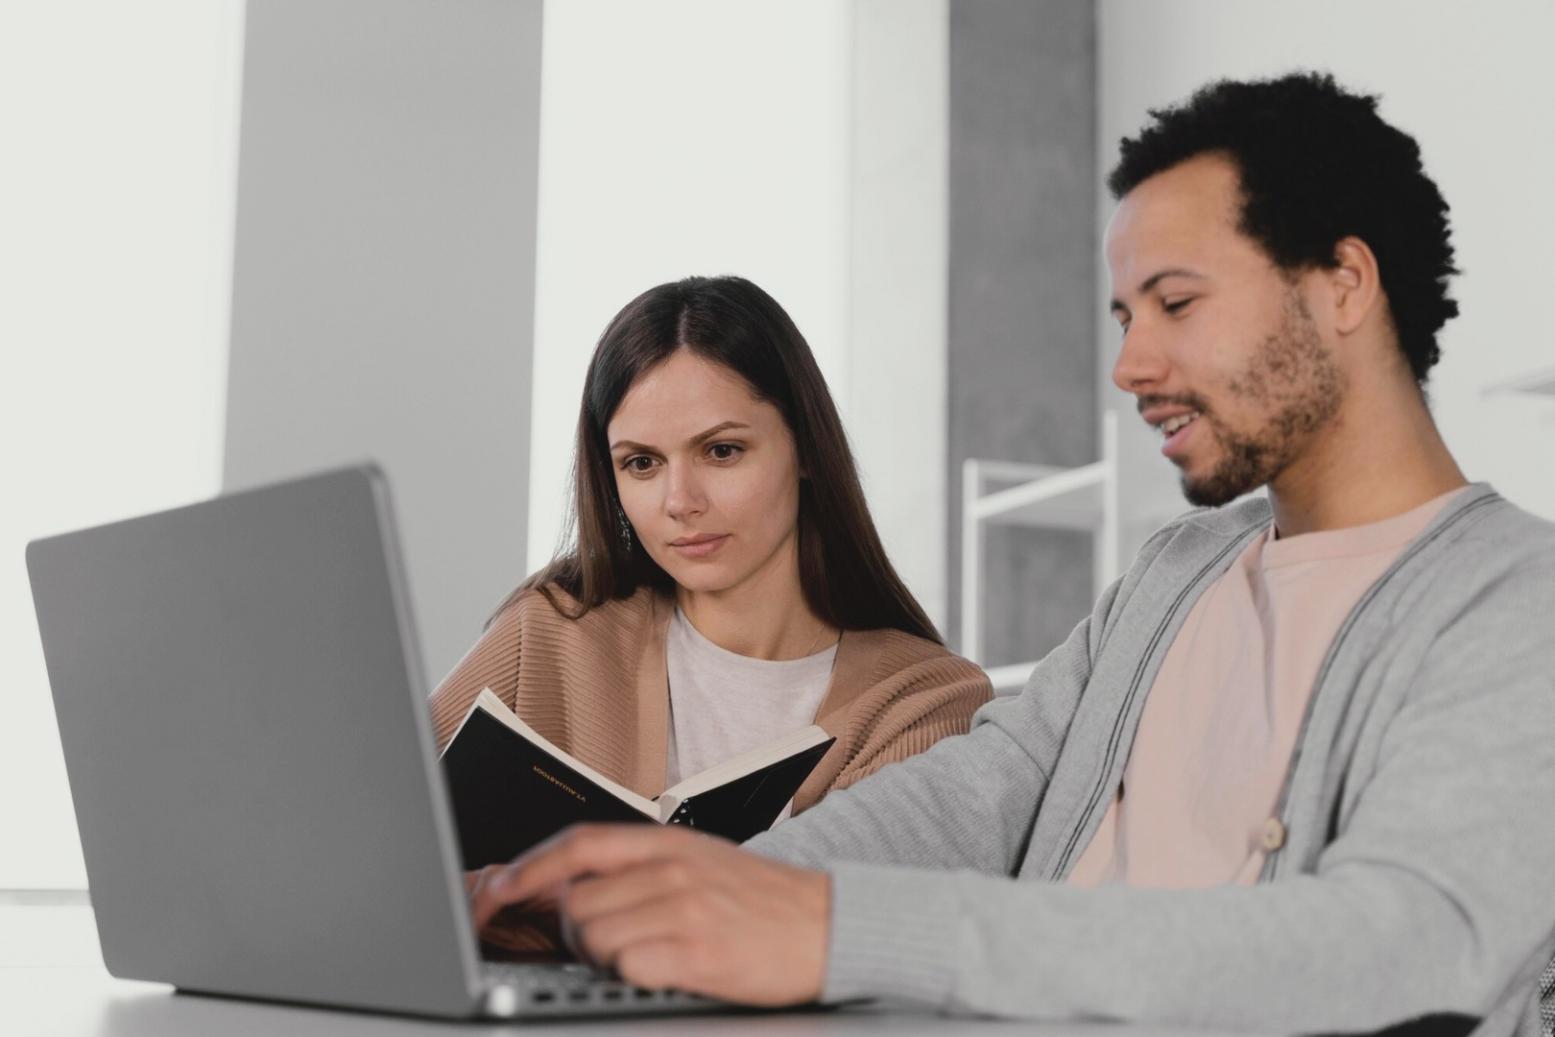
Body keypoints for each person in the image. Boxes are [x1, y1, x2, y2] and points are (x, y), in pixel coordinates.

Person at [464, 73, 1555, 1033]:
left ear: (1343, 285)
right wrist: (684, 902)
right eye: (1124, 317)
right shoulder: (1175, 575)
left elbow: (1404, 938)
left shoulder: (1514, 597)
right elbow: (974, 793)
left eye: (1175, 302)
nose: (1129, 365)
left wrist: (844, 930)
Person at [429, 275, 991, 879]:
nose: (680, 502)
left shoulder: (922, 705)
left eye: (722, 451)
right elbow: (374, 830)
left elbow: (878, 923)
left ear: (805, 448)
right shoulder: (553, 628)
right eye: (641, 463)